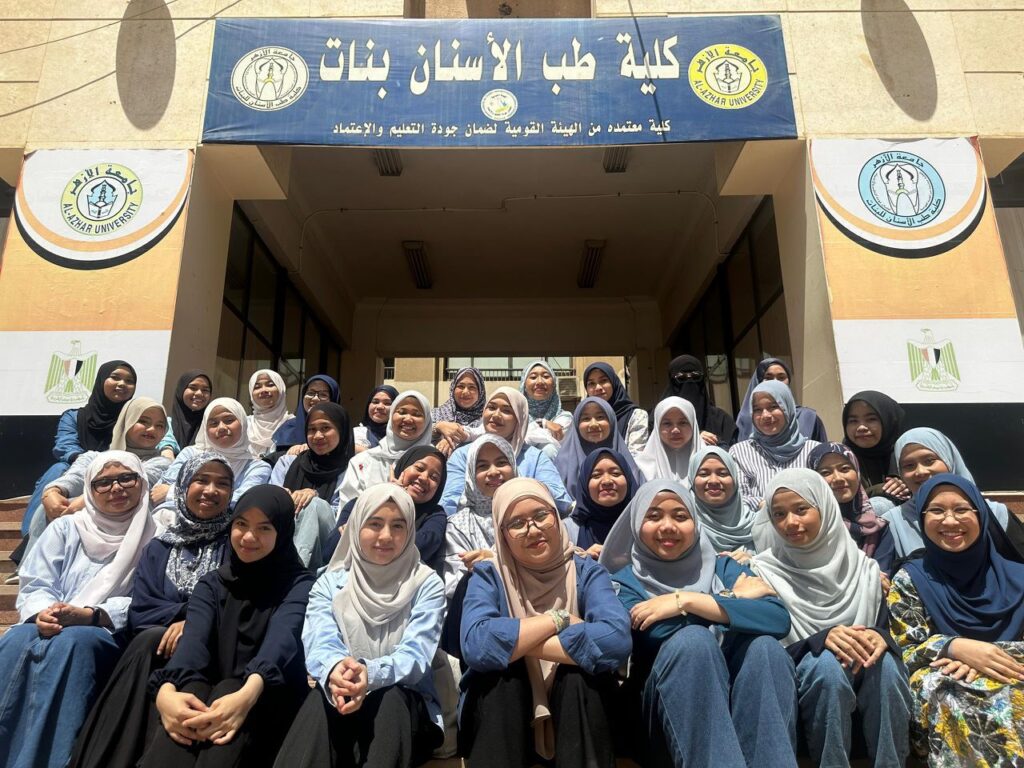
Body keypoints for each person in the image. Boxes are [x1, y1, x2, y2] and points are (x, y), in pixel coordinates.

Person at [599, 479, 797, 768]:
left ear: (695, 522)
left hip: (739, 706)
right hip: (666, 721)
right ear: (637, 524)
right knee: (693, 642)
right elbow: (655, 629)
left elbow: (777, 618)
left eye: (680, 516)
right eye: (654, 516)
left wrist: (686, 601)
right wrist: (730, 599)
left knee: (766, 648)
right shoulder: (624, 582)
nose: (668, 526)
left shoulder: (723, 567)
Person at [70, 453, 236, 768]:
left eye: (222, 483)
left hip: (215, 646)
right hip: (157, 647)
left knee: (152, 642)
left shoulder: (237, 543)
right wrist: (181, 618)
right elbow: (142, 610)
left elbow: (239, 600)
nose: (211, 490)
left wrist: (194, 623)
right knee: (148, 640)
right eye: (201, 480)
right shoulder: (160, 547)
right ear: (183, 486)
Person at [457, 478, 632, 768]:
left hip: (581, 713)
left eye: (541, 515)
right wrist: (558, 619)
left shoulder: (587, 571)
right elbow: (477, 644)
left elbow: (616, 640)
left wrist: (516, 643)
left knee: (577, 677)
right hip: (506, 716)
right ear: (502, 533)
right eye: (517, 523)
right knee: (504, 679)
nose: (533, 529)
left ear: (556, 516)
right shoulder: (489, 574)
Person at [0, 451, 156, 768]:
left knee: (73, 643)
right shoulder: (66, 527)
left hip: (110, 629)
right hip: (53, 620)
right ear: (89, 488)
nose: (116, 488)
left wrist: (92, 615)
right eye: (103, 482)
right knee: (16, 640)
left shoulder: (155, 534)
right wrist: (44, 612)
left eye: (127, 478)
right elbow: (37, 580)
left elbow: (151, 598)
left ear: (142, 482)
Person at [140, 486, 313, 768]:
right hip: (212, 701)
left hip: (268, 697)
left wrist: (247, 694)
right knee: (190, 694)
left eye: (264, 528)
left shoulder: (299, 584)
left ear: (282, 532)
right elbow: (193, 644)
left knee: (230, 688)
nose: (248, 537)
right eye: (241, 524)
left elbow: (281, 640)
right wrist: (166, 691)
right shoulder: (212, 584)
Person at [274, 485, 446, 768]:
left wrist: (370, 674)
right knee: (321, 698)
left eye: (398, 526)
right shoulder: (330, 583)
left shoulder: (426, 584)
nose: (386, 536)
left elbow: (416, 655)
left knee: (391, 697)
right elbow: (320, 640)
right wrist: (337, 670)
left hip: (404, 711)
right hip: (341, 697)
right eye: (374, 524)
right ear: (355, 526)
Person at [751, 470, 912, 768]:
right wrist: (821, 640)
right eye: (779, 514)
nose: (790, 522)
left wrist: (879, 636)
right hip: (804, 676)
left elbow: (886, 630)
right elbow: (767, 652)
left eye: (801, 509)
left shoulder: (864, 569)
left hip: (863, 668)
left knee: (886, 665)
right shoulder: (762, 572)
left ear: (825, 508)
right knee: (826, 666)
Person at [887, 474, 1024, 766]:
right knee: (945, 688)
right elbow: (903, 652)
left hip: (1012, 670)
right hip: (947, 680)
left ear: (981, 514)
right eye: (936, 510)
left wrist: (984, 656)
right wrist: (953, 647)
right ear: (922, 518)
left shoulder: (1020, 578)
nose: (949, 521)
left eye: (961, 509)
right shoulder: (910, 579)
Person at [27, 397, 171, 557]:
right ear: (127, 421)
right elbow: (75, 476)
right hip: (83, 524)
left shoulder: (162, 463)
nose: (152, 429)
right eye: (143, 421)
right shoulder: (93, 457)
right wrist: (53, 491)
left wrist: (85, 501)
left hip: (127, 531)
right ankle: (34, 562)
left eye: (160, 425)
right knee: (45, 509)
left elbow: (140, 480)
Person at [19, 360, 137, 538]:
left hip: (118, 471)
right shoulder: (74, 416)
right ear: (101, 380)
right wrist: (86, 462)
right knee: (58, 469)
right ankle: (31, 535)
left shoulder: (136, 420)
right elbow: (65, 445)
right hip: (77, 466)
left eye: (129, 381)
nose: (122, 384)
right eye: (115, 377)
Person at [882, 428, 1018, 562]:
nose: (921, 471)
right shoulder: (892, 523)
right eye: (909, 465)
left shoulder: (997, 514)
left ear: (949, 460)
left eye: (929, 461)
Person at [440, 388, 572, 517]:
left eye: (507, 410)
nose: (496, 415)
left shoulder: (535, 458)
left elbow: (562, 501)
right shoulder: (463, 455)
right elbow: (449, 504)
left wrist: (520, 489)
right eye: (491, 407)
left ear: (519, 419)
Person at [328, 445, 449, 578]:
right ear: (404, 466)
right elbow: (332, 548)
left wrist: (357, 536)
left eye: (434, 477)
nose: (424, 478)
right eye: (419, 468)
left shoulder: (435, 515)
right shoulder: (360, 504)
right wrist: (391, 496)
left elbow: (423, 546)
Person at [270, 402, 355, 568]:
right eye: (311, 429)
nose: (317, 436)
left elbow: (341, 516)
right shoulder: (287, 463)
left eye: (325, 428)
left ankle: (297, 570)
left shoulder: (352, 469)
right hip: (283, 531)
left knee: (313, 505)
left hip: (327, 542)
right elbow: (270, 502)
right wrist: (282, 497)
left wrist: (314, 497)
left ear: (341, 430)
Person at [151, 399, 271, 510]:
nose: (222, 427)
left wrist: (171, 493)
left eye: (229, 420)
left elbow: (241, 503)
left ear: (243, 423)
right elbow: (159, 491)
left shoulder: (256, 467)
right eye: (213, 423)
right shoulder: (190, 454)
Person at [729, 380, 821, 514]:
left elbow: (824, 495)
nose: (765, 415)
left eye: (773, 407)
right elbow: (738, 497)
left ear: (788, 407)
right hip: (759, 525)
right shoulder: (740, 452)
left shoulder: (814, 451)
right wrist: (766, 505)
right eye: (757, 409)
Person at [443, 435, 517, 600]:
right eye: (482, 466)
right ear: (471, 473)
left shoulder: (530, 512)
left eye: (501, 463)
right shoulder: (459, 525)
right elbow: (454, 586)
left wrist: (492, 562)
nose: (493, 472)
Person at [809, 442, 895, 575]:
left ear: (857, 472)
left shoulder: (878, 528)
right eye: (825, 472)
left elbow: (883, 580)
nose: (838, 478)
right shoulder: (810, 528)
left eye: (844, 469)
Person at [336, 391, 434, 506]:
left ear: (427, 421)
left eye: (416, 414)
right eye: (402, 412)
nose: (408, 419)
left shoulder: (435, 462)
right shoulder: (363, 461)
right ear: (391, 416)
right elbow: (348, 508)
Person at [553, 396, 642, 502]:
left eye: (600, 417)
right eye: (586, 418)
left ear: (611, 421)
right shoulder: (562, 463)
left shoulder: (627, 461)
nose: (593, 424)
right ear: (576, 424)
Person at [565, 448, 636, 559]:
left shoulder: (643, 525)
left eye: (615, 473)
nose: (607, 481)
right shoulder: (567, 530)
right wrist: (583, 559)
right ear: (584, 483)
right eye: (596, 475)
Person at [735, 358, 827, 443]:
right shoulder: (746, 420)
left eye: (781, 377)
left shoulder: (808, 418)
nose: (775, 381)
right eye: (769, 378)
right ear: (758, 381)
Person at [687, 446, 757, 554]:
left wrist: (754, 561)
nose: (713, 481)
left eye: (723, 474)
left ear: (734, 479)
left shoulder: (756, 524)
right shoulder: (685, 525)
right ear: (692, 480)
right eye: (704, 474)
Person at [842, 391, 908, 503]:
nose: (861, 427)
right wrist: (882, 489)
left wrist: (908, 486)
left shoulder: (910, 455)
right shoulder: (840, 459)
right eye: (853, 421)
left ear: (889, 420)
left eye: (871, 419)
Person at [661, 354, 737, 447]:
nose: (689, 382)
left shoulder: (721, 420)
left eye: (696, 377)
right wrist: (694, 437)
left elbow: (732, 451)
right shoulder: (659, 419)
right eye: (681, 378)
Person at [582, 362, 648, 454]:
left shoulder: (636, 416)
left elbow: (636, 457)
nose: (598, 387)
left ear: (613, 382)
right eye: (591, 383)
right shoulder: (582, 418)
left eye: (603, 380)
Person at [270, 374, 341, 458]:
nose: (315, 398)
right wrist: (291, 451)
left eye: (323, 395)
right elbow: (274, 457)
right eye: (310, 393)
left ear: (332, 400)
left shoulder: (341, 429)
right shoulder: (289, 427)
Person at [634, 396, 700, 485]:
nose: (675, 430)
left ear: (693, 424)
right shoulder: (640, 469)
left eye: (683, 423)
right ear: (657, 427)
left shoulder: (711, 462)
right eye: (667, 423)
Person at [518, 360, 573, 458]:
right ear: (524, 385)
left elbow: (523, 439)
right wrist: (544, 424)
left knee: (549, 449)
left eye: (546, 376)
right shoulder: (516, 417)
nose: (540, 382)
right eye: (533, 377)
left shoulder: (565, 418)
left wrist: (537, 426)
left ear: (554, 385)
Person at [432, 367, 486, 455]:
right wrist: (438, 427)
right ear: (453, 389)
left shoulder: (486, 419)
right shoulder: (436, 413)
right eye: (461, 386)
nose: (465, 392)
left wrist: (453, 438)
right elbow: (419, 432)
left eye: (472, 387)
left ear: (480, 392)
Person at [246, 369, 292, 459]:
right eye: (257, 387)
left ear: (281, 389)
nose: (264, 390)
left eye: (270, 385)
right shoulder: (244, 425)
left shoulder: (293, 425)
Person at [167, 371, 213, 453]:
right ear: (181, 390)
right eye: (193, 388)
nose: (199, 393)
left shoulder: (211, 427)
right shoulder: (165, 425)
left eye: (205, 390)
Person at [353, 385, 398, 452]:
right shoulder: (356, 434)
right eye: (375, 402)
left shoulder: (403, 438)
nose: (380, 407)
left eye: (387, 403)